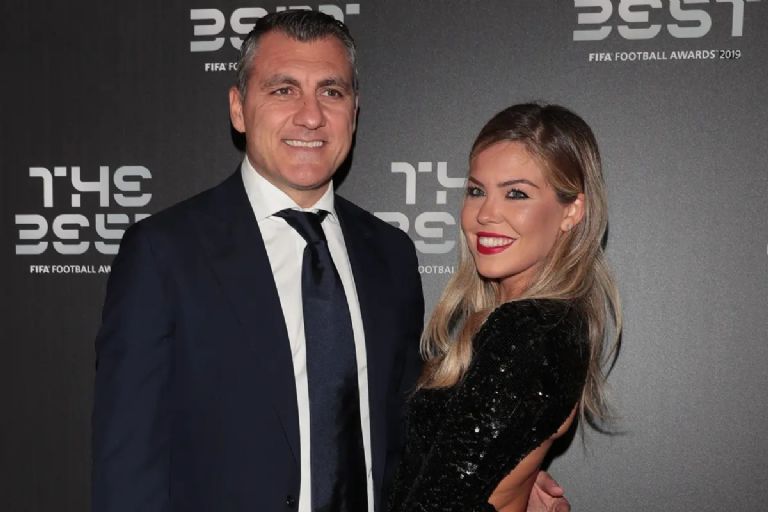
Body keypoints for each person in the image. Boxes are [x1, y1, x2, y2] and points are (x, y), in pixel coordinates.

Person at [91, 11, 569, 512]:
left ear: (354, 112)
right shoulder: (164, 253)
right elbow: (127, 464)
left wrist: (502, 475)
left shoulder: (390, 254)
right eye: (283, 90)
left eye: (331, 91)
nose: (311, 116)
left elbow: (402, 435)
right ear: (238, 108)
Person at [387, 103, 622, 512]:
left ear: (571, 211)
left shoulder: (524, 330)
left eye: (516, 194)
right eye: (476, 191)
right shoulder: (549, 322)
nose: (486, 214)